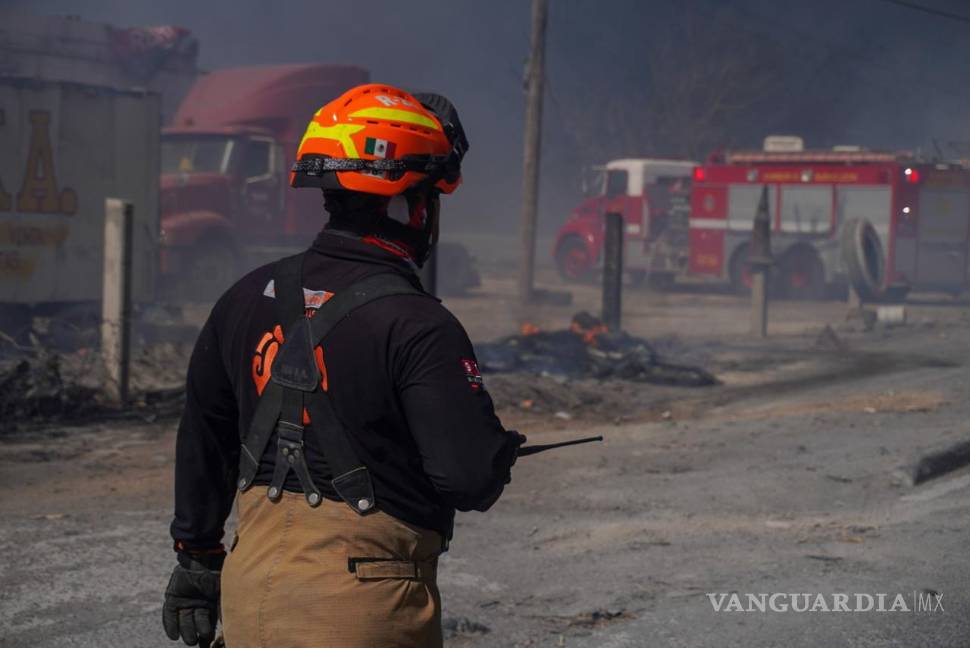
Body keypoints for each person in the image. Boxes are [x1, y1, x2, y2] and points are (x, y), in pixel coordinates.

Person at [162, 83, 524, 648]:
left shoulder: (244, 297)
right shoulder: (418, 323)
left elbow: (204, 437)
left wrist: (197, 559)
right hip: (365, 612)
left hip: (248, 599)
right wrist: (495, 450)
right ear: (414, 204)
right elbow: (467, 477)